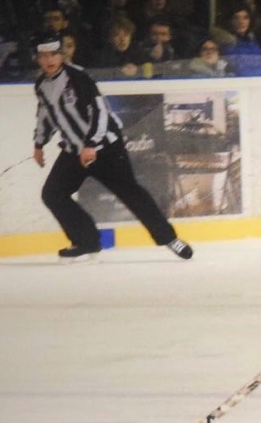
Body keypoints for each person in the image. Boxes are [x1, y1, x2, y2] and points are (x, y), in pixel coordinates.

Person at [31, 31, 193, 262]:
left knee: (131, 192)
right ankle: (87, 241)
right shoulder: (41, 85)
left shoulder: (78, 78)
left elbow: (99, 112)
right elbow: (45, 116)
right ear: (37, 59)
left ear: (62, 55)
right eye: (44, 55)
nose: (50, 60)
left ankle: (170, 239)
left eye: (54, 54)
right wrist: (38, 144)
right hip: (74, 151)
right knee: (53, 194)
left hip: (105, 148)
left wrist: (91, 144)